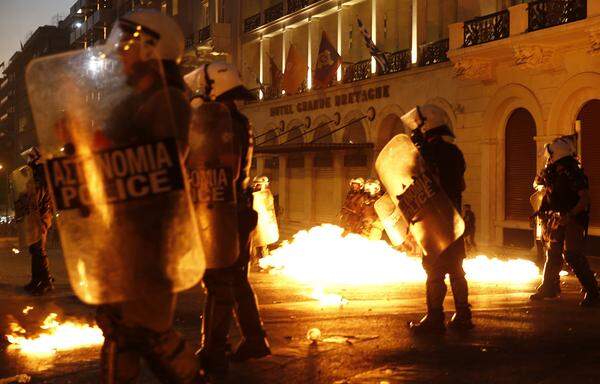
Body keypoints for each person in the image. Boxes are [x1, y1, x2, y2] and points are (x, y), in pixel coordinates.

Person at [89, 11, 203, 383]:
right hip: (126, 234)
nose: (120, 54)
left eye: (127, 46)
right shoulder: (133, 104)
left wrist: (106, 149)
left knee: (144, 335)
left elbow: (163, 168)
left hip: (150, 236)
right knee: (125, 333)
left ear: (150, 49)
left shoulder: (168, 101)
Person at [187, 62, 271, 377]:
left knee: (218, 281)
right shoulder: (238, 120)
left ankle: (213, 350)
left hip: (224, 211)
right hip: (238, 209)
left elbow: (215, 170)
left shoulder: (219, 125)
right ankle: (254, 339)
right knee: (236, 279)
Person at [404, 105, 474, 333]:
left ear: (427, 127)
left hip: (433, 222)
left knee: (434, 271)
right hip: (453, 220)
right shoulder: (455, 153)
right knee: (456, 269)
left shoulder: (426, 154)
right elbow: (460, 184)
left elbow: (416, 185)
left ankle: (435, 318)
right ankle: (463, 315)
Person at [529, 135, 599, 306]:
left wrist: (570, 215)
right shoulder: (553, 172)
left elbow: (584, 199)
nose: (549, 158)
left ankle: (593, 292)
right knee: (553, 253)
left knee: (572, 254)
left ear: (558, 154)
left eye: (551, 154)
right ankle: (549, 287)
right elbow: (545, 192)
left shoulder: (573, 172)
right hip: (557, 218)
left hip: (573, 219)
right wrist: (541, 210)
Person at [18, 147, 54, 295]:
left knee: (39, 250)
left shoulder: (41, 175)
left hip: (41, 217)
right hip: (36, 216)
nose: (28, 161)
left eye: (30, 158)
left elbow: (35, 197)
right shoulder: (37, 174)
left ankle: (46, 281)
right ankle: (36, 279)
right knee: (34, 249)